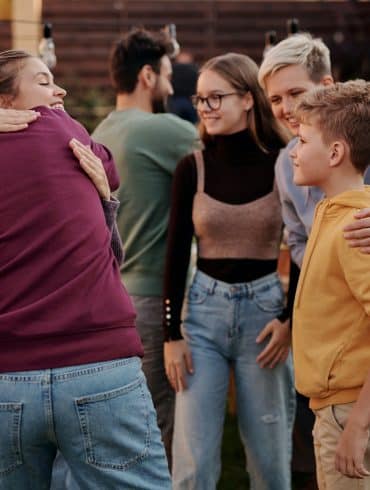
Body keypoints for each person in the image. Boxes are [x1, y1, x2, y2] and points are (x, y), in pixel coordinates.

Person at [0, 50, 171, 490]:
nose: (58, 91)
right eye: (42, 81)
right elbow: (109, 171)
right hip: (98, 363)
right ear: (6, 102)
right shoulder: (58, 126)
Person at [163, 52, 296, 490]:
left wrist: (289, 318)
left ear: (247, 99)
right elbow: (177, 251)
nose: (205, 108)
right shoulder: (192, 167)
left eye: (215, 97)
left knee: (270, 462)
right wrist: (172, 335)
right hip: (202, 316)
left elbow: (300, 246)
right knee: (193, 465)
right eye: (200, 100)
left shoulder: (284, 164)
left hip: (265, 320)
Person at [258, 33, 370, 489]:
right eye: (275, 99)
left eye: (296, 95)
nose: (285, 110)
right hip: (327, 381)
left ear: (324, 86)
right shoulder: (291, 164)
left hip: (351, 395)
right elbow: (304, 249)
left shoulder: (352, 207)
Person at [92, 27, 199, 465]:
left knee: (130, 421)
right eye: (169, 75)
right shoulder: (164, 131)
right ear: (149, 76)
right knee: (163, 423)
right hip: (157, 299)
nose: (173, 87)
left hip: (114, 297)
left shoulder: (100, 130)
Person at [291, 79, 370, 489]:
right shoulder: (332, 212)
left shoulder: (356, 228)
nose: (294, 151)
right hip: (333, 410)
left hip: (351, 412)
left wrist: (357, 427)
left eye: (303, 140)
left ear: (336, 152)